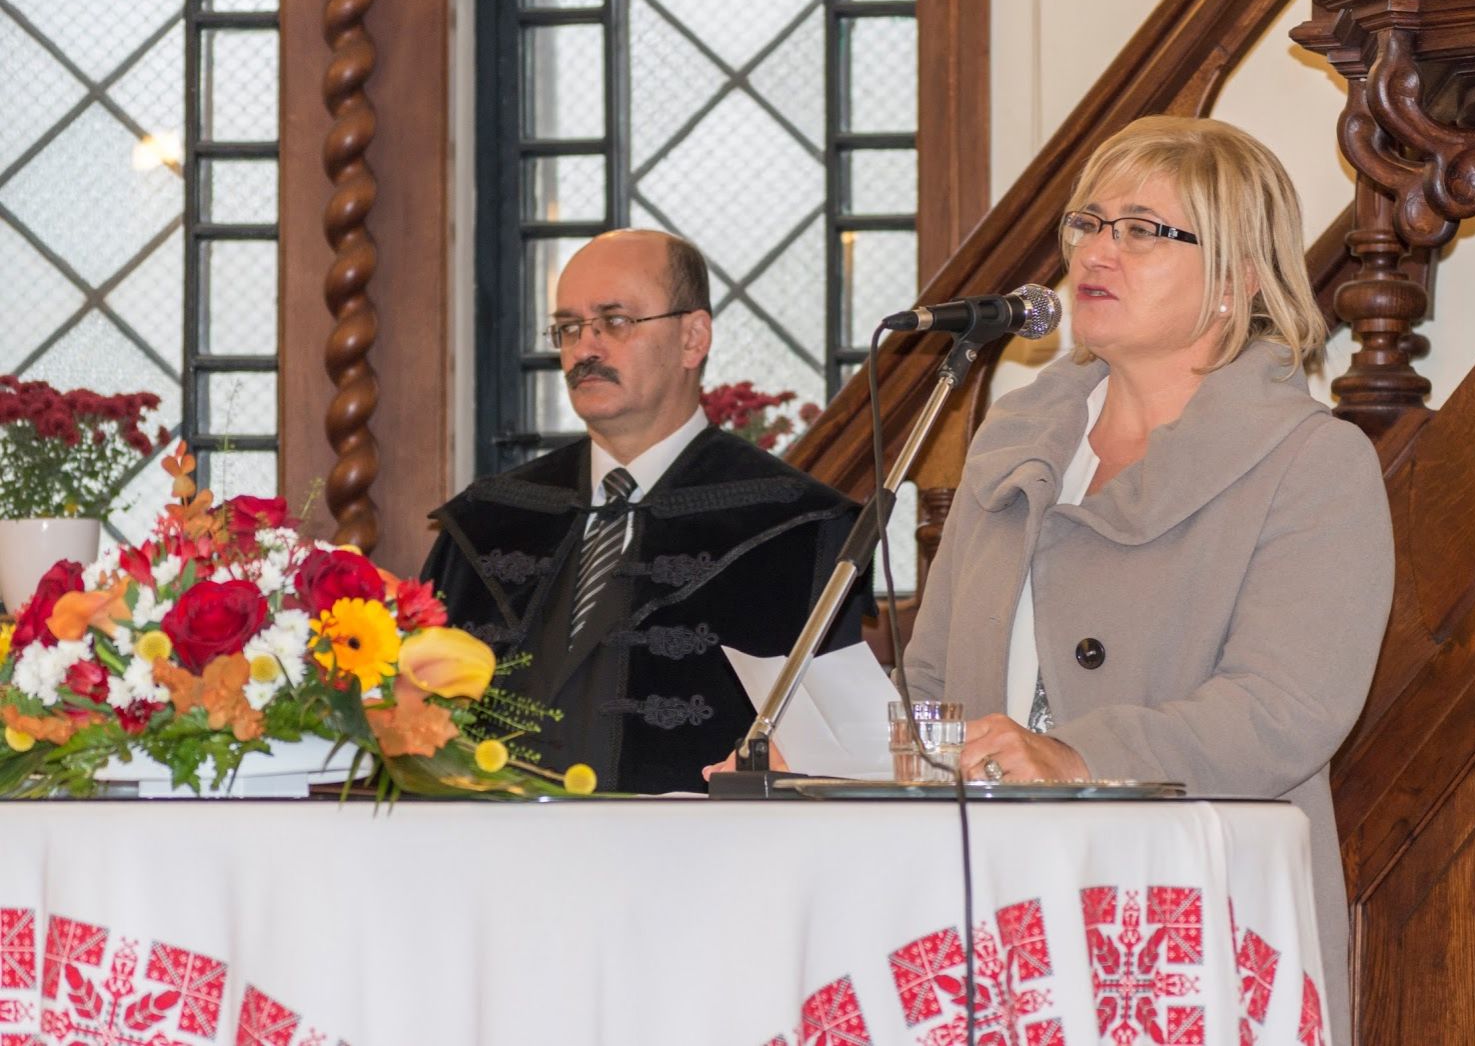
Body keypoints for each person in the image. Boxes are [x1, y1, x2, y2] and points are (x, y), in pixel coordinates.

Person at [902, 116, 1393, 1042]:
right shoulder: (1012, 444)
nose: (1096, 251)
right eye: (1087, 223)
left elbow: (1285, 711)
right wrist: (821, 765)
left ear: (1237, 278)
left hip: (1186, 916)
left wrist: (1080, 757)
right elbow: (931, 683)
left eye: (1141, 230)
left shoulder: (1309, 462)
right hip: (988, 904)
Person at [422, 229, 868, 794]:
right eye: (569, 327)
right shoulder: (484, 522)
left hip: (694, 841)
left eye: (615, 321)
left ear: (692, 338)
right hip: (484, 834)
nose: (585, 349)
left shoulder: (799, 530)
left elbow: (832, 753)